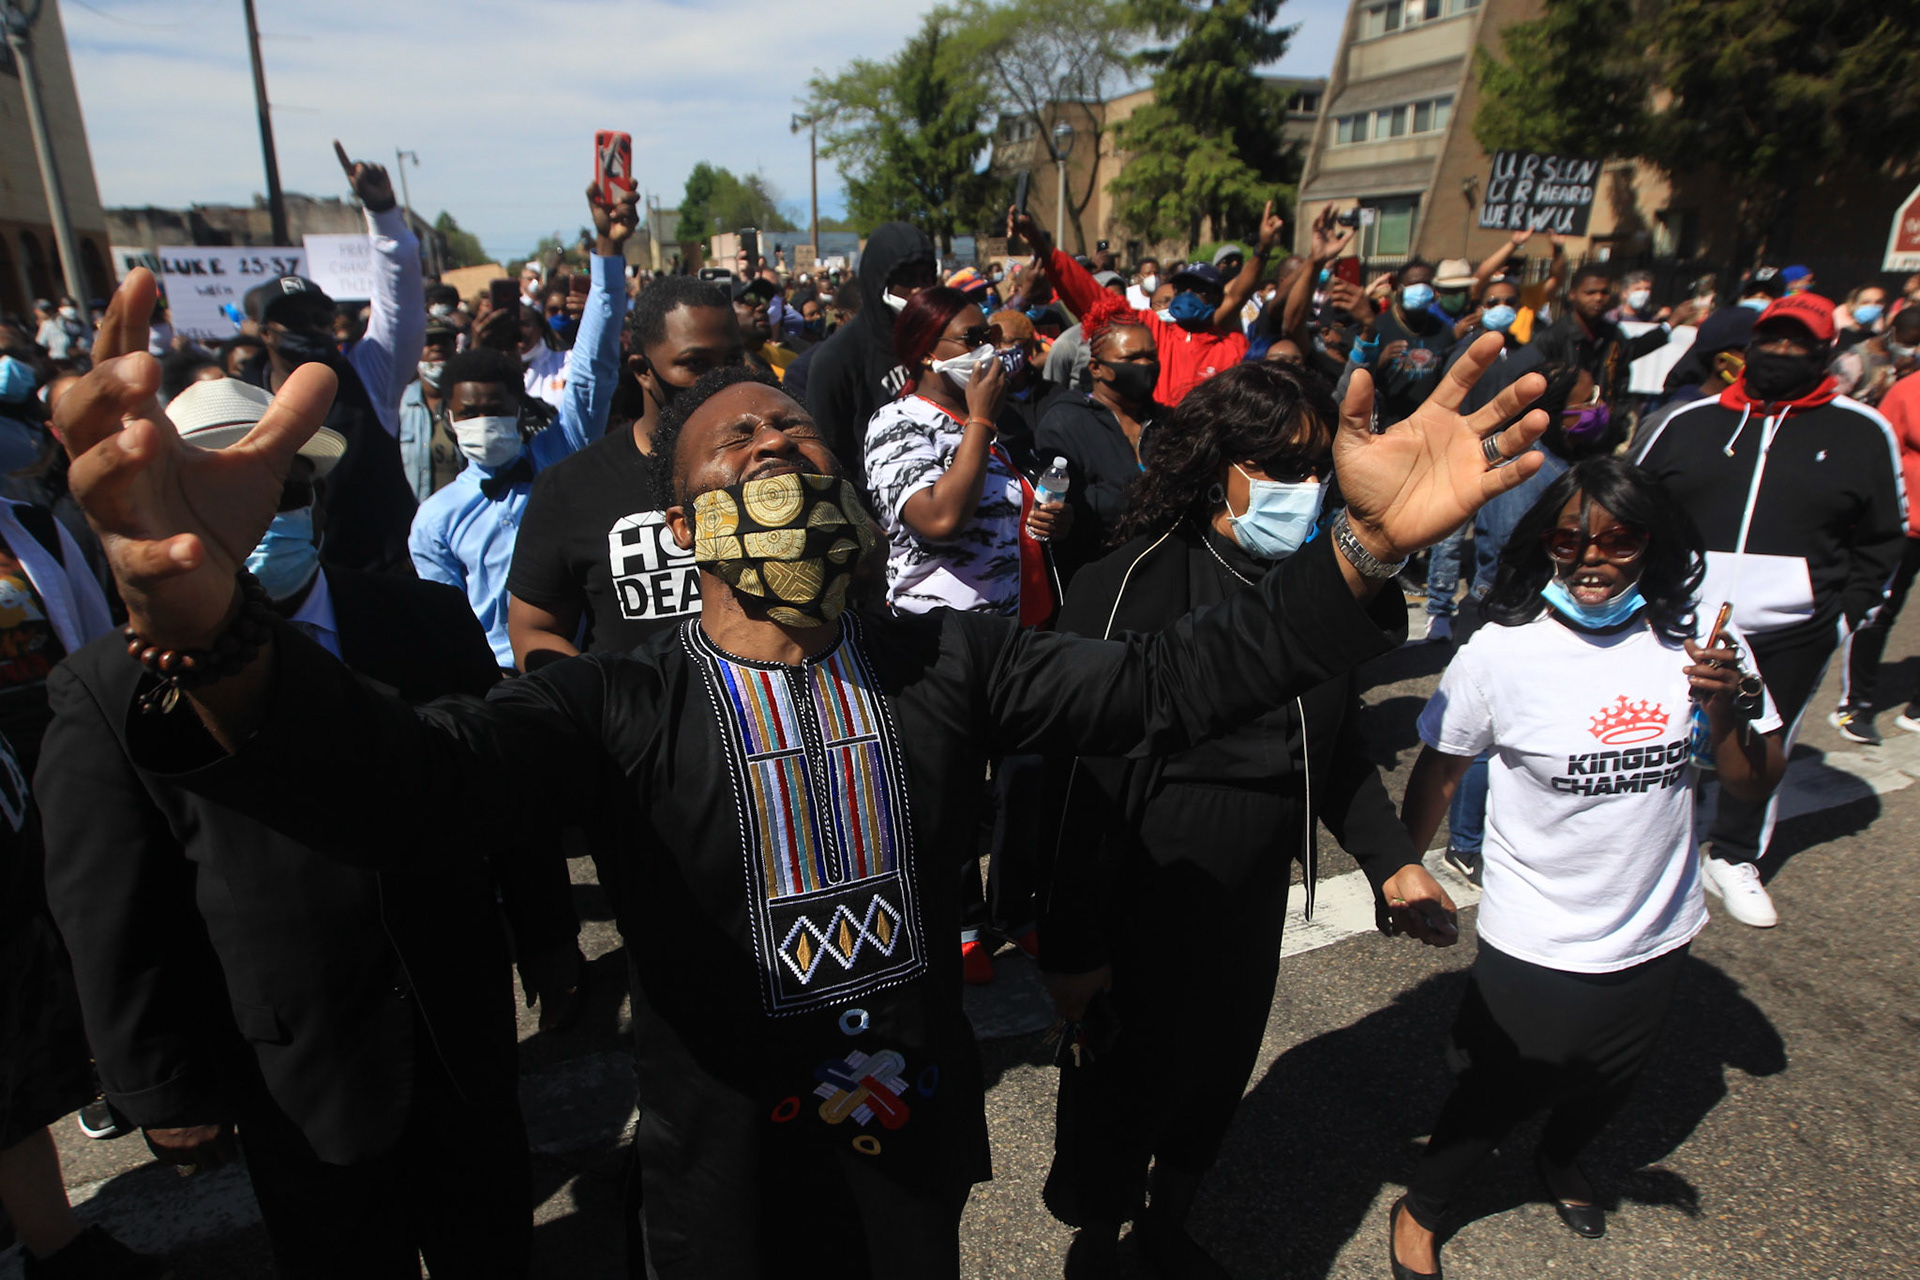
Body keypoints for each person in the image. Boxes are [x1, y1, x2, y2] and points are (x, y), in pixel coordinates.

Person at [56, 262, 1551, 1276]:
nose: (771, 439)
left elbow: (1169, 684)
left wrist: (1360, 553)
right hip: (722, 1182)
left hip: (906, 1148)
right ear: (683, 526)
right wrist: (215, 624)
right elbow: (407, 785)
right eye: (731, 442)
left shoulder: (946, 661)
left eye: (792, 428)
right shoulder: (619, 702)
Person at [38, 377, 556, 1280]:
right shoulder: (108, 687)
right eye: (218, 490)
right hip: (291, 1067)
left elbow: (503, 795)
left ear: (315, 497)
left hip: (457, 1022)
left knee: (492, 1240)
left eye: (286, 490)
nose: (262, 515)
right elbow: (109, 905)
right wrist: (158, 1085)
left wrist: (547, 936)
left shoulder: (422, 619)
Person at [1040, 362, 1458, 1280]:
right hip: (1145, 891)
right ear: (1213, 461)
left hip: (1252, 895)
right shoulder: (1130, 581)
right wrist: (1072, 942)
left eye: (1317, 468)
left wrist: (1392, 860)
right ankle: (1098, 1243)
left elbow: (1337, 748)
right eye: (1279, 465)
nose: (1303, 488)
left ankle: (1168, 1228)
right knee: (1119, 1088)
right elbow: (1076, 783)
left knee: (1215, 1074)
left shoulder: (1315, 589)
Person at [1392, 456, 1787, 1278]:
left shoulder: (1704, 644)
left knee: (1613, 1072)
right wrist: (1398, 872)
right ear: (1545, 544)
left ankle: (1562, 1158)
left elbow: (1754, 782)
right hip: (1538, 927)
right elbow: (1442, 772)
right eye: (1569, 540)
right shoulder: (1502, 654)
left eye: (1619, 538)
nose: (1592, 559)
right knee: (1502, 1085)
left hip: (1658, 922)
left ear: (1654, 542)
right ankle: (1423, 1207)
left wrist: (1723, 709)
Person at [1634, 293, 1905, 926]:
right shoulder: (1688, 422)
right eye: (1773, 339)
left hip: (1793, 628)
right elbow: (1629, 504)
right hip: (1680, 617)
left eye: (1799, 342)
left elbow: (1883, 539)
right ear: (1750, 346)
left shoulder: (1862, 430)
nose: (1782, 352)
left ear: (1824, 351)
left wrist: (1847, 617)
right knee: (1655, 728)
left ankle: (1734, 855)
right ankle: (1646, 840)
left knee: (1761, 739)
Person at [507, 274, 744, 669]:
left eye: (733, 361)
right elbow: (533, 631)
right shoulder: (571, 486)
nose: (721, 381)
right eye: (696, 364)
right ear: (642, 370)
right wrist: (608, 697)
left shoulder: (776, 462)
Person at [235, 143, 422, 575]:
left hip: (378, 580)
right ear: (266, 333)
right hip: (282, 586)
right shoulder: (241, 401)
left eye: (320, 318)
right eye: (293, 320)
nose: (311, 328)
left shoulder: (368, 376)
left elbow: (400, 305)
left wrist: (382, 212)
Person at [864, 288, 1069, 620]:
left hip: (1020, 626)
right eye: (972, 339)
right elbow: (940, 520)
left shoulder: (995, 418)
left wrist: (1047, 520)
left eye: (989, 337)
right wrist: (982, 421)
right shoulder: (896, 423)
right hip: (945, 634)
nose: (986, 349)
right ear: (927, 351)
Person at [1022, 208, 1278, 406]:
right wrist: (1042, 246)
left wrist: (1262, 250)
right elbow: (1092, 297)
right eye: (1182, 288)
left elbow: (1239, 293)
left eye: (1199, 290)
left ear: (1216, 298)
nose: (1188, 295)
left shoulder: (1232, 348)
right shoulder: (1150, 329)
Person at [807, 221, 939, 494]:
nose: (920, 290)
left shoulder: (943, 339)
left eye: (927, 277)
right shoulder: (837, 358)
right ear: (880, 281)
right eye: (908, 278)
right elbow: (828, 453)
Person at [1036, 293, 1163, 576]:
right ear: (1096, 368)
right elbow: (1067, 515)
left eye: (1151, 356)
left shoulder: (1167, 422)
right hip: (1100, 575)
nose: (1145, 365)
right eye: (1131, 358)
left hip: (1164, 571)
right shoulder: (1064, 423)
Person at [1833, 333, 1920, 742]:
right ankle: (1856, 703)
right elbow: (1879, 456)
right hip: (1905, 527)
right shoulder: (1907, 391)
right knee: (1878, 611)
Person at [1531, 266, 1669, 451]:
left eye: (1604, 292)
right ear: (1573, 294)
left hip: (1603, 440)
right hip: (1560, 441)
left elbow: (1624, 371)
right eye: (1590, 292)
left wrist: (1617, 423)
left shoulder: (1614, 335)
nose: (1598, 298)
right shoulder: (1553, 337)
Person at [1369, 261, 1458, 427]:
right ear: (1399, 288)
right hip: (1388, 423)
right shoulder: (1378, 327)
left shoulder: (1443, 330)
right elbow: (1359, 375)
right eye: (1415, 284)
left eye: (1427, 284)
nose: (1421, 289)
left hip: (1429, 423)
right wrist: (1381, 361)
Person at [397, 318, 462, 502]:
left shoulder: (467, 404)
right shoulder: (400, 404)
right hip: (411, 513)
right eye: (428, 342)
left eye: (444, 341)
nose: (437, 348)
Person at [1045, 270, 1129, 394]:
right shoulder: (1068, 344)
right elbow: (1052, 391)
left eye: (1119, 299)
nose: (1114, 305)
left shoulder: (1136, 338)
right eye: (1106, 298)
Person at [1829, 296, 1914, 406]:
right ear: (1891, 330)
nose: (1908, 347)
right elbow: (1834, 402)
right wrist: (1875, 394)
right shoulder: (1853, 360)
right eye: (1906, 341)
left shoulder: (1899, 362)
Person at [34, 298, 89, 362]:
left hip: (78, 361)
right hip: (58, 361)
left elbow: (88, 343)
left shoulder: (81, 325)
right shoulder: (48, 324)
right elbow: (40, 345)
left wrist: (80, 350)